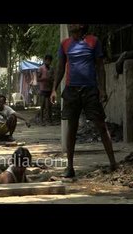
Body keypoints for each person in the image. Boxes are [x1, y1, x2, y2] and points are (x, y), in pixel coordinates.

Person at [50, 24, 117, 178]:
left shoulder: (93, 41)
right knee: (71, 128)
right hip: (71, 90)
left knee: (101, 124)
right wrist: (54, 89)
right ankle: (70, 167)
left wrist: (103, 89)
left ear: (81, 25)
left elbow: (100, 67)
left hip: (90, 90)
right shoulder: (65, 44)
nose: (69, 25)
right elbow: (60, 67)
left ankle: (113, 163)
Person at [37, 54, 54, 124]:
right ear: (45, 60)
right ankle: (41, 120)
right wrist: (43, 79)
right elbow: (37, 79)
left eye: (50, 61)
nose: (48, 62)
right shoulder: (41, 68)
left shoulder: (51, 68)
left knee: (49, 106)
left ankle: (49, 119)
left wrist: (51, 80)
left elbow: (53, 78)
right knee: (42, 105)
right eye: (47, 60)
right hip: (43, 89)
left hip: (49, 89)